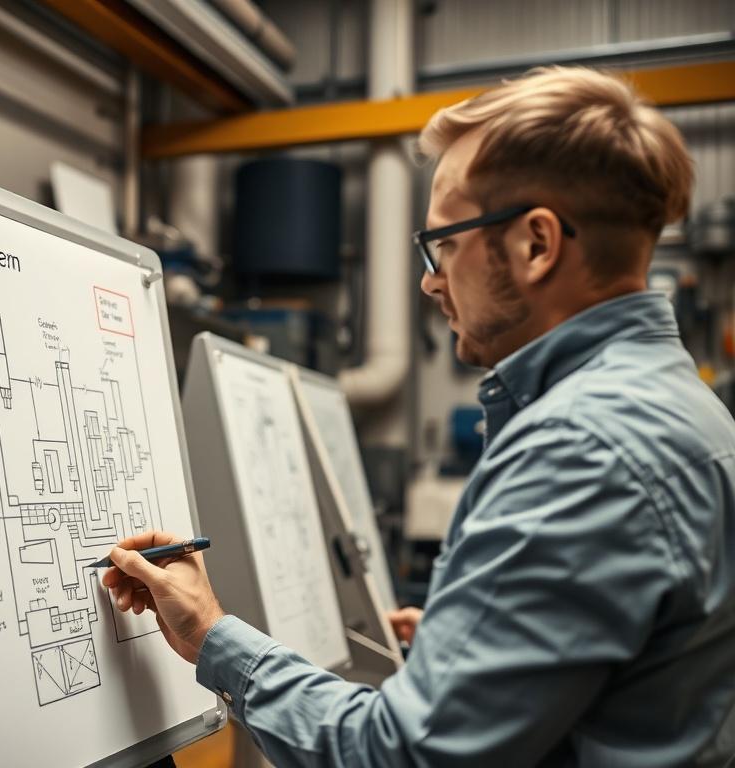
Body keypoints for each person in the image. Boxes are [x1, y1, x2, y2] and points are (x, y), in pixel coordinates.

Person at [103, 67, 735, 766]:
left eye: (445, 244)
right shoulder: (684, 408)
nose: (432, 280)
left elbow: (398, 757)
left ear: (536, 244)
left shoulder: (580, 449)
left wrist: (210, 635)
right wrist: (479, 652)